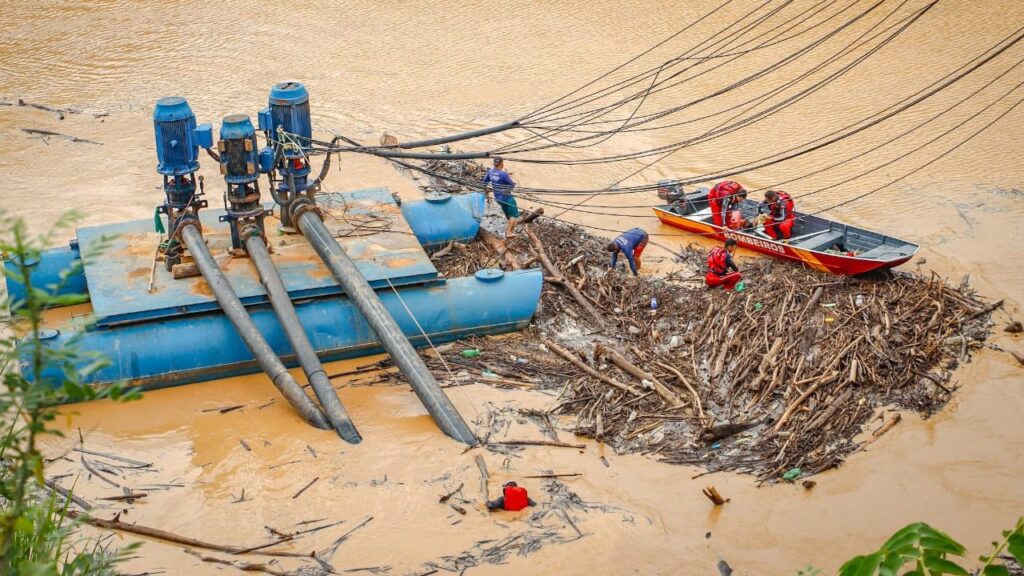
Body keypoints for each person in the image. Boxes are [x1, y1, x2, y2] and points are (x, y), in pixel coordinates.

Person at [482, 157, 519, 237]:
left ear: (494, 163)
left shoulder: (490, 172)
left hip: (498, 198)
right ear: (502, 163)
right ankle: (509, 232)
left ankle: (510, 225)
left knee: (507, 211)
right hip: (507, 198)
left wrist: (487, 190)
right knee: (514, 214)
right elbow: (512, 185)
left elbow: (484, 182)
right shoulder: (503, 174)